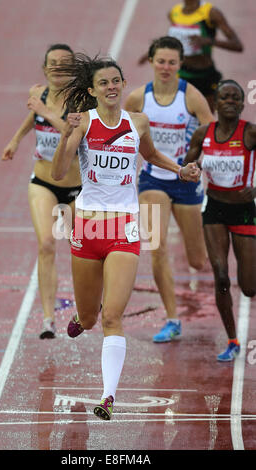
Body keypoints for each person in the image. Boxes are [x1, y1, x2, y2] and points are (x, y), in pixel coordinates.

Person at [43, 53, 200, 420]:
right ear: (92, 90)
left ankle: (108, 396)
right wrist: (67, 132)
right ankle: (82, 319)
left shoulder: (138, 122)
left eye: (116, 81)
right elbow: (59, 171)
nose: (112, 87)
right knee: (91, 317)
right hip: (88, 226)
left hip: (125, 227)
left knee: (112, 314)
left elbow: (152, 155)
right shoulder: (84, 124)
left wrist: (181, 169)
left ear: (123, 83)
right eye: (104, 83)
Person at [125, 36, 214, 343]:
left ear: (180, 65)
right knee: (157, 248)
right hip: (152, 180)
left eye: (172, 62)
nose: (165, 67)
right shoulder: (137, 99)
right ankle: (172, 319)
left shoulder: (191, 97)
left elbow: (212, 134)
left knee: (197, 261)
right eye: (160, 61)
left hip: (186, 181)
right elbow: (120, 136)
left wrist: (199, 165)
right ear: (151, 61)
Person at [1, 44, 82, 339]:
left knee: (82, 248)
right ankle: (48, 319)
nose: (58, 67)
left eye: (65, 63)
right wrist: (15, 140)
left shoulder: (83, 100)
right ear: (45, 68)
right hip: (42, 182)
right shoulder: (39, 94)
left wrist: (44, 110)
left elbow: (70, 132)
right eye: (53, 63)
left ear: (73, 69)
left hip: (77, 187)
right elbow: (32, 118)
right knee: (47, 243)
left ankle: (86, 306)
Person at [183, 79, 256, 361]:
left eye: (234, 97)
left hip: (245, 210)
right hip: (214, 209)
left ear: (241, 104)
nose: (228, 101)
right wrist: (189, 169)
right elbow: (187, 165)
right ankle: (233, 340)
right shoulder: (204, 133)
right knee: (221, 276)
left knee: (249, 288)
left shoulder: (249, 133)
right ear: (215, 102)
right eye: (223, 97)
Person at [138, 0, 243, 112]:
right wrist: (153, 50)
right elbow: (174, 38)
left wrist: (209, 41)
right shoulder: (174, 12)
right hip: (181, 74)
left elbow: (237, 45)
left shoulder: (210, 13)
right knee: (179, 116)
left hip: (204, 76)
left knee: (205, 119)